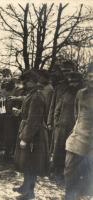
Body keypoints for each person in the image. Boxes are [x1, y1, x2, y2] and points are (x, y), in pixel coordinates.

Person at [13, 70, 49, 200]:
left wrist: (25, 138)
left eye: (26, 82)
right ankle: (25, 186)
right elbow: (29, 113)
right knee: (27, 162)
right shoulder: (33, 94)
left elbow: (34, 119)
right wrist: (20, 113)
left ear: (32, 82)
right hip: (30, 130)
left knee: (31, 164)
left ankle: (30, 193)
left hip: (35, 134)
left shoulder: (37, 96)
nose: (24, 84)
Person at [64, 63, 93, 200]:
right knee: (69, 171)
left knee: (87, 176)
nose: (92, 79)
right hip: (77, 138)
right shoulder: (80, 93)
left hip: (91, 142)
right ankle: (70, 196)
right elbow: (77, 114)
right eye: (90, 76)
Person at [49, 72, 83, 184]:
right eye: (71, 82)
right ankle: (57, 173)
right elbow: (56, 110)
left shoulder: (83, 95)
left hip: (76, 129)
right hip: (62, 127)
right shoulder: (65, 93)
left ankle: (71, 176)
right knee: (58, 151)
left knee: (73, 153)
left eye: (75, 82)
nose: (73, 84)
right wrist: (56, 123)